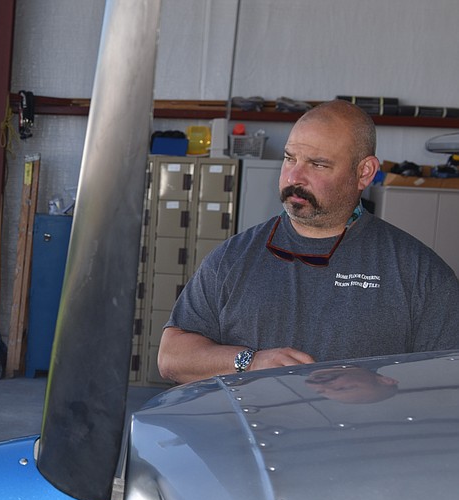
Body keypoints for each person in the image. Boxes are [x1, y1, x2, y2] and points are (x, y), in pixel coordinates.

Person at [159, 99, 459, 384]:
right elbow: (172, 357)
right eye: (290, 158)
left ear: (364, 173)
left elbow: (444, 386)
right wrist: (249, 362)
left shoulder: (420, 273)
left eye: (318, 164)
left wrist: (381, 389)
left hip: (354, 437)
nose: (295, 177)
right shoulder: (232, 257)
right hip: (252, 436)